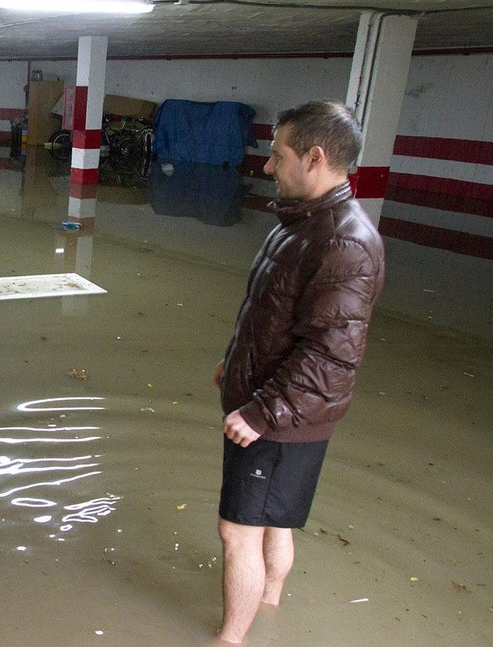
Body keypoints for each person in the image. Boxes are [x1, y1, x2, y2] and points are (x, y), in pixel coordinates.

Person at [212, 99, 385, 644]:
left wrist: (261, 412)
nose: (267, 166)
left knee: (238, 532)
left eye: (277, 154)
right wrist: (235, 362)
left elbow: (331, 354)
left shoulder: (343, 242)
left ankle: (230, 639)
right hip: (288, 408)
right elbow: (275, 314)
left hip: (282, 417)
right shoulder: (306, 224)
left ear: (314, 157)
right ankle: (270, 604)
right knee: (277, 518)